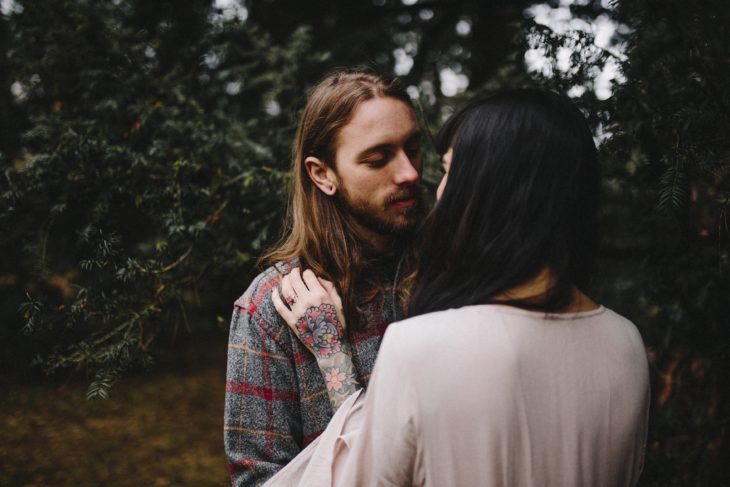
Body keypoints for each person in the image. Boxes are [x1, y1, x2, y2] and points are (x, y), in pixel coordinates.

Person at [269, 89, 650, 486]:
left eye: (449, 170)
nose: (430, 185)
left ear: (487, 191)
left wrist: (335, 362)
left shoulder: (420, 347)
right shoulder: (626, 342)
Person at [223, 69, 425, 486]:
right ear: (322, 174)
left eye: (414, 148)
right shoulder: (269, 308)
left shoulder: (455, 272)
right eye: (378, 158)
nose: (409, 173)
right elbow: (260, 480)